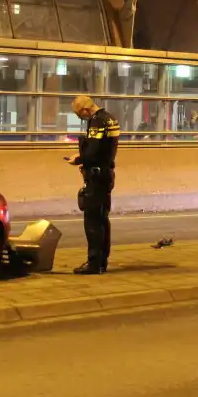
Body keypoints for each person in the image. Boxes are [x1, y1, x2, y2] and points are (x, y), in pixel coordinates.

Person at [67, 95, 119, 275]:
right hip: (107, 174)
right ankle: (102, 261)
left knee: (93, 221)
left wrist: (78, 159)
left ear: (84, 110)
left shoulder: (97, 123)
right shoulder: (111, 119)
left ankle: (94, 263)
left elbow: (93, 151)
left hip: (96, 176)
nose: (80, 118)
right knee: (103, 219)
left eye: (78, 114)